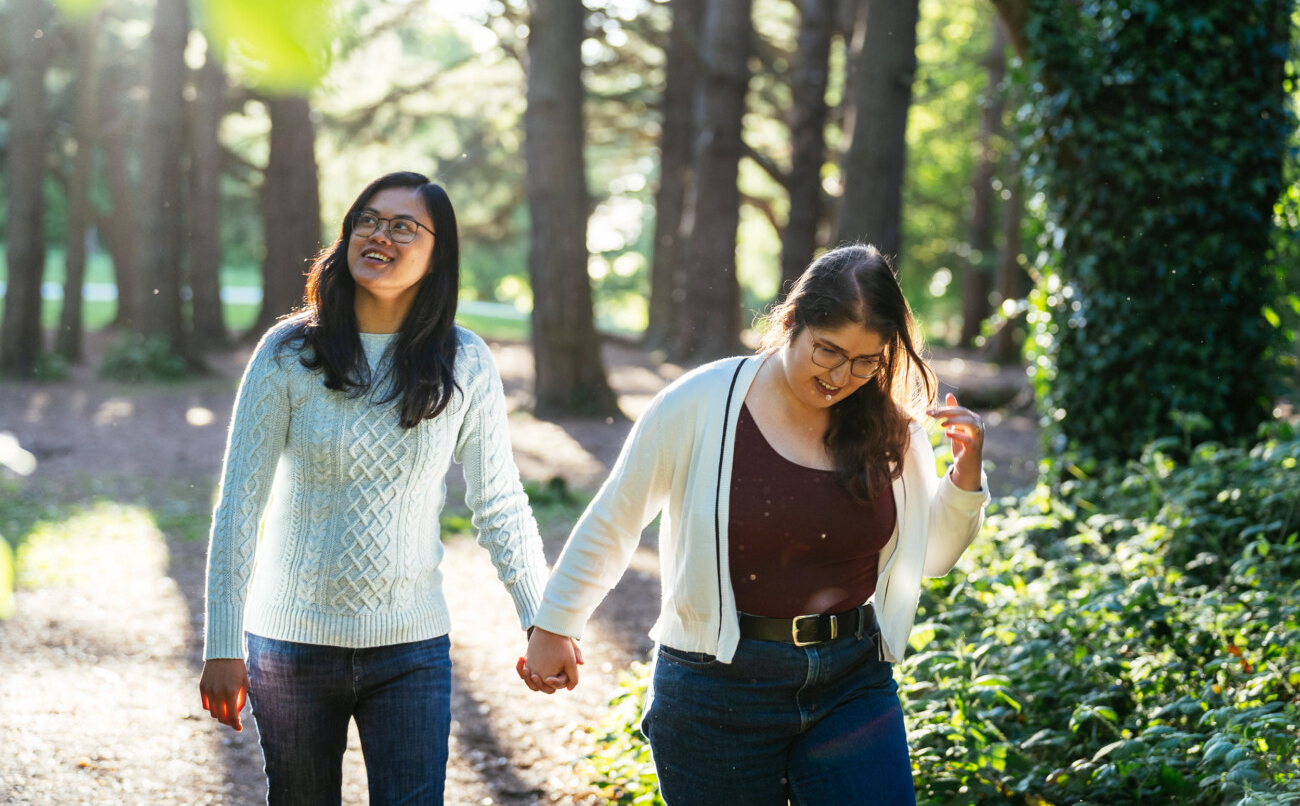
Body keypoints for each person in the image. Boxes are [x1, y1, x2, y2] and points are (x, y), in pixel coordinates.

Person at [519, 244, 989, 805]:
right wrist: (554, 625)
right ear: (792, 320)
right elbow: (616, 518)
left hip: (852, 681)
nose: (843, 376)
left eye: (867, 360)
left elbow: (931, 558)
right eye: (828, 351)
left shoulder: (893, 429)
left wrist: (965, 477)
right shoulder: (700, 402)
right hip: (717, 687)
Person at [199, 171, 568, 805]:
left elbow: (501, 502)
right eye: (368, 219)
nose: (380, 235)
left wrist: (542, 618)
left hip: (411, 648)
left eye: (404, 226)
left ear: (438, 254)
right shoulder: (289, 353)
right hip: (289, 644)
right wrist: (223, 643)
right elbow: (239, 506)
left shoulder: (466, 361)